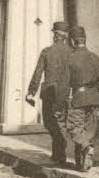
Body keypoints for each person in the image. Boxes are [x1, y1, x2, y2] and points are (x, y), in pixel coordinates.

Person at [26, 22, 74, 165]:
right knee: (60, 121)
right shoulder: (72, 53)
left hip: (49, 93)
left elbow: (38, 73)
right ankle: (58, 152)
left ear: (55, 36)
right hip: (65, 93)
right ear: (65, 37)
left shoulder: (47, 52)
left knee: (49, 122)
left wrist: (31, 92)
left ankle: (59, 151)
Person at [64, 26, 99, 172]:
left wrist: (61, 101)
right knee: (88, 131)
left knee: (74, 128)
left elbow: (65, 82)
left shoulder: (70, 59)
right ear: (85, 40)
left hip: (78, 98)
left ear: (72, 41)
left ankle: (87, 147)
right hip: (94, 99)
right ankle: (81, 163)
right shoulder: (96, 58)